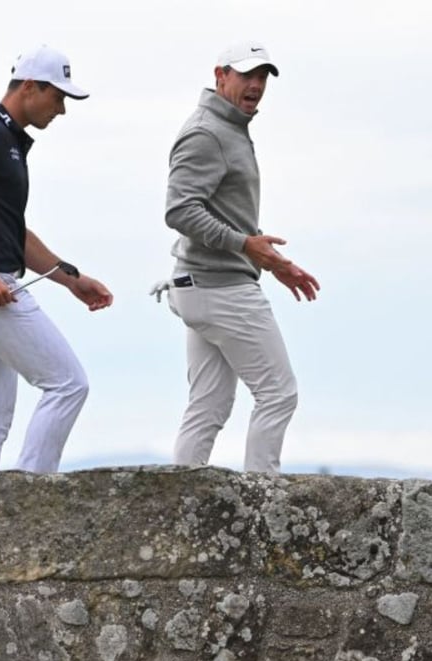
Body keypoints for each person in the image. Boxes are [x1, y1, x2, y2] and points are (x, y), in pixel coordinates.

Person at [0, 45, 113, 477]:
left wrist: (70, 279)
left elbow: (14, 232)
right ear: (30, 87)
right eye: (58, 96)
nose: (62, 109)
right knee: (68, 384)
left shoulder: (8, 141)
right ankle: (32, 496)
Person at [159, 43, 320, 474]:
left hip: (201, 283)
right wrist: (245, 246)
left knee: (209, 403)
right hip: (220, 287)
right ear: (220, 75)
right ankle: (264, 502)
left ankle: (181, 504)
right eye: (246, 74)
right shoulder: (207, 132)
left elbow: (223, 216)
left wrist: (271, 262)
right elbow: (179, 210)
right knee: (278, 392)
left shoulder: (229, 128)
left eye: (263, 76)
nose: (256, 85)